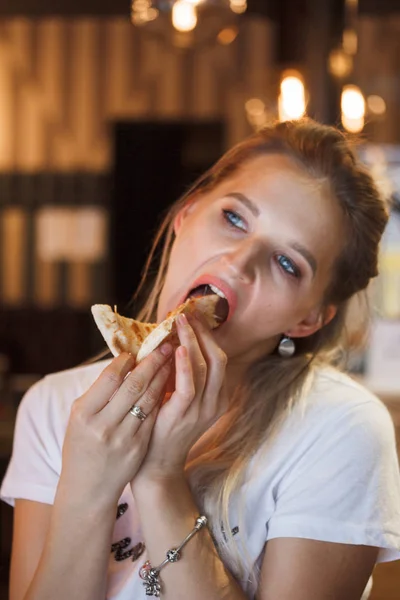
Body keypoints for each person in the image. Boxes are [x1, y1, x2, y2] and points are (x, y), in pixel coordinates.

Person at [1, 119, 400, 600]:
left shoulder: (341, 429)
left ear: (308, 320)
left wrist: (160, 477)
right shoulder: (54, 407)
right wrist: (86, 482)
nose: (239, 261)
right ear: (185, 216)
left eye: (287, 263)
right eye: (234, 218)